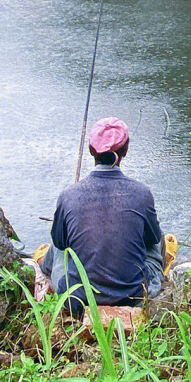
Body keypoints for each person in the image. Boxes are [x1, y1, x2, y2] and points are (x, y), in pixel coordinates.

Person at [46, 117, 165, 313]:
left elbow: (60, 243)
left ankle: (43, 271)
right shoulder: (142, 193)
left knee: (57, 246)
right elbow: (152, 240)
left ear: (92, 150)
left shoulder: (67, 196)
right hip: (133, 296)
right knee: (157, 237)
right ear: (125, 150)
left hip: (78, 298)